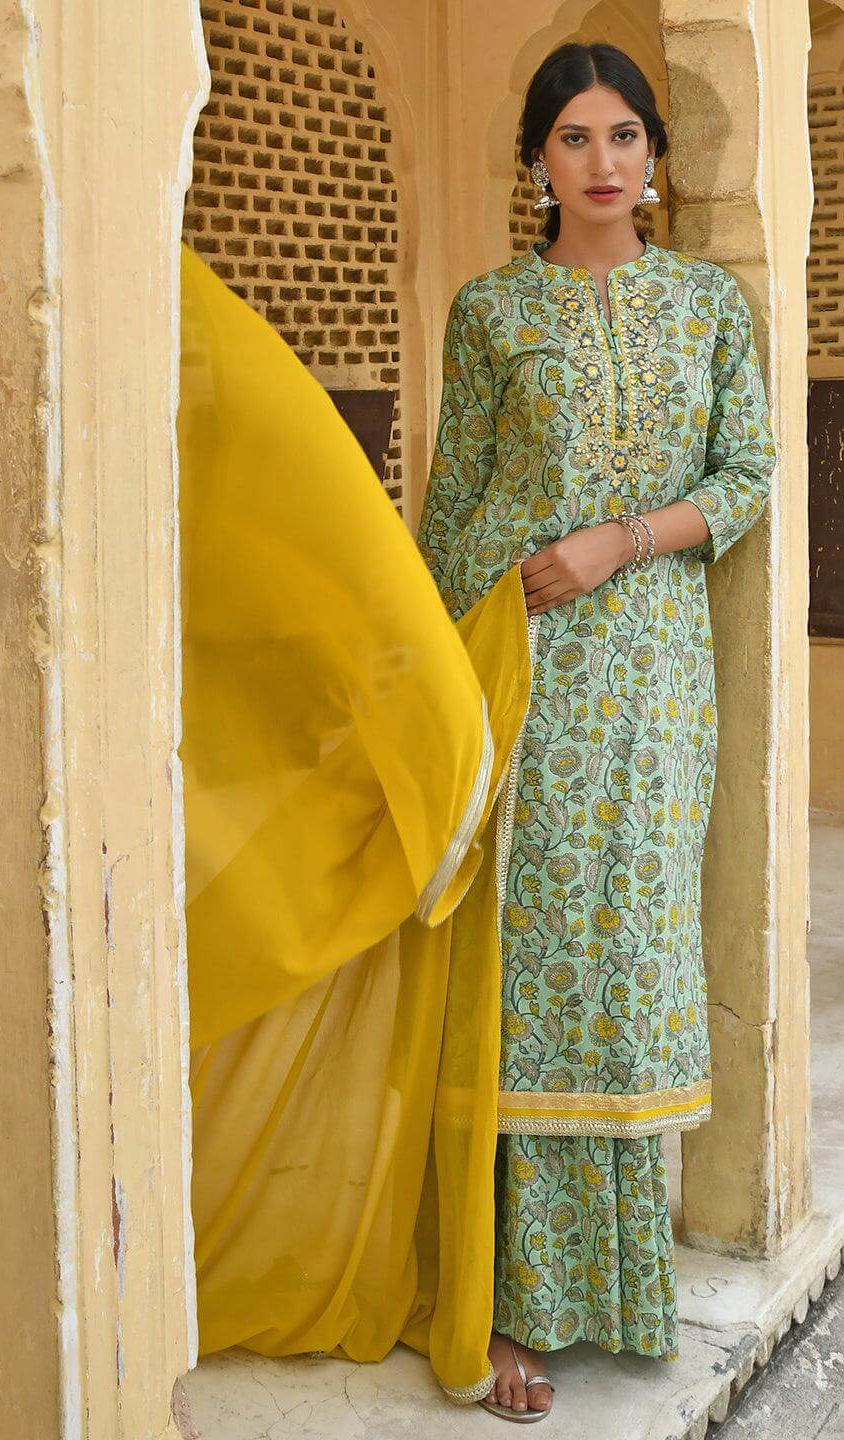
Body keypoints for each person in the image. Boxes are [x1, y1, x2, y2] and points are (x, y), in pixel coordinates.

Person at [417, 41, 777, 1421]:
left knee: (627, 965)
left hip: (658, 682)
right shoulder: (493, 310)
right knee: (529, 962)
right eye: (574, 138)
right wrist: (458, 661)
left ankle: (621, 1286)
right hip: (530, 676)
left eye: (627, 134)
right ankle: (507, 1303)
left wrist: (618, 542)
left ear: (657, 157)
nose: (606, 162)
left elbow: (744, 473)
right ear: (535, 161)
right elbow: (454, 513)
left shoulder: (703, 310)